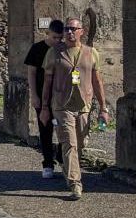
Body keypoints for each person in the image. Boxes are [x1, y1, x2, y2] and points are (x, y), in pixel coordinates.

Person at [40, 17, 110, 201]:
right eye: (67, 29)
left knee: (80, 144)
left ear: (81, 32)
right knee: (70, 144)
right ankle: (75, 183)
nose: (69, 32)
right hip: (61, 106)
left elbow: (97, 81)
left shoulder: (91, 53)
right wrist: (44, 107)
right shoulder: (54, 52)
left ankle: (67, 165)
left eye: (73, 29)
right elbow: (47, 81)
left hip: (83, 106)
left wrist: (103, 108)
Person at [25, 19, 65, 179]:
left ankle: (62, 157)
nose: (57, 41)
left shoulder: (64, 49)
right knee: (45, 129)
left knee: (64, 128)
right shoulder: (37, 48)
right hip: (42, 96)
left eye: (60, 38)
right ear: (47, 33)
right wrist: (34, 95)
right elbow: (31, 73)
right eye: (54, 37)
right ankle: (48, 163)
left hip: (60, 97)